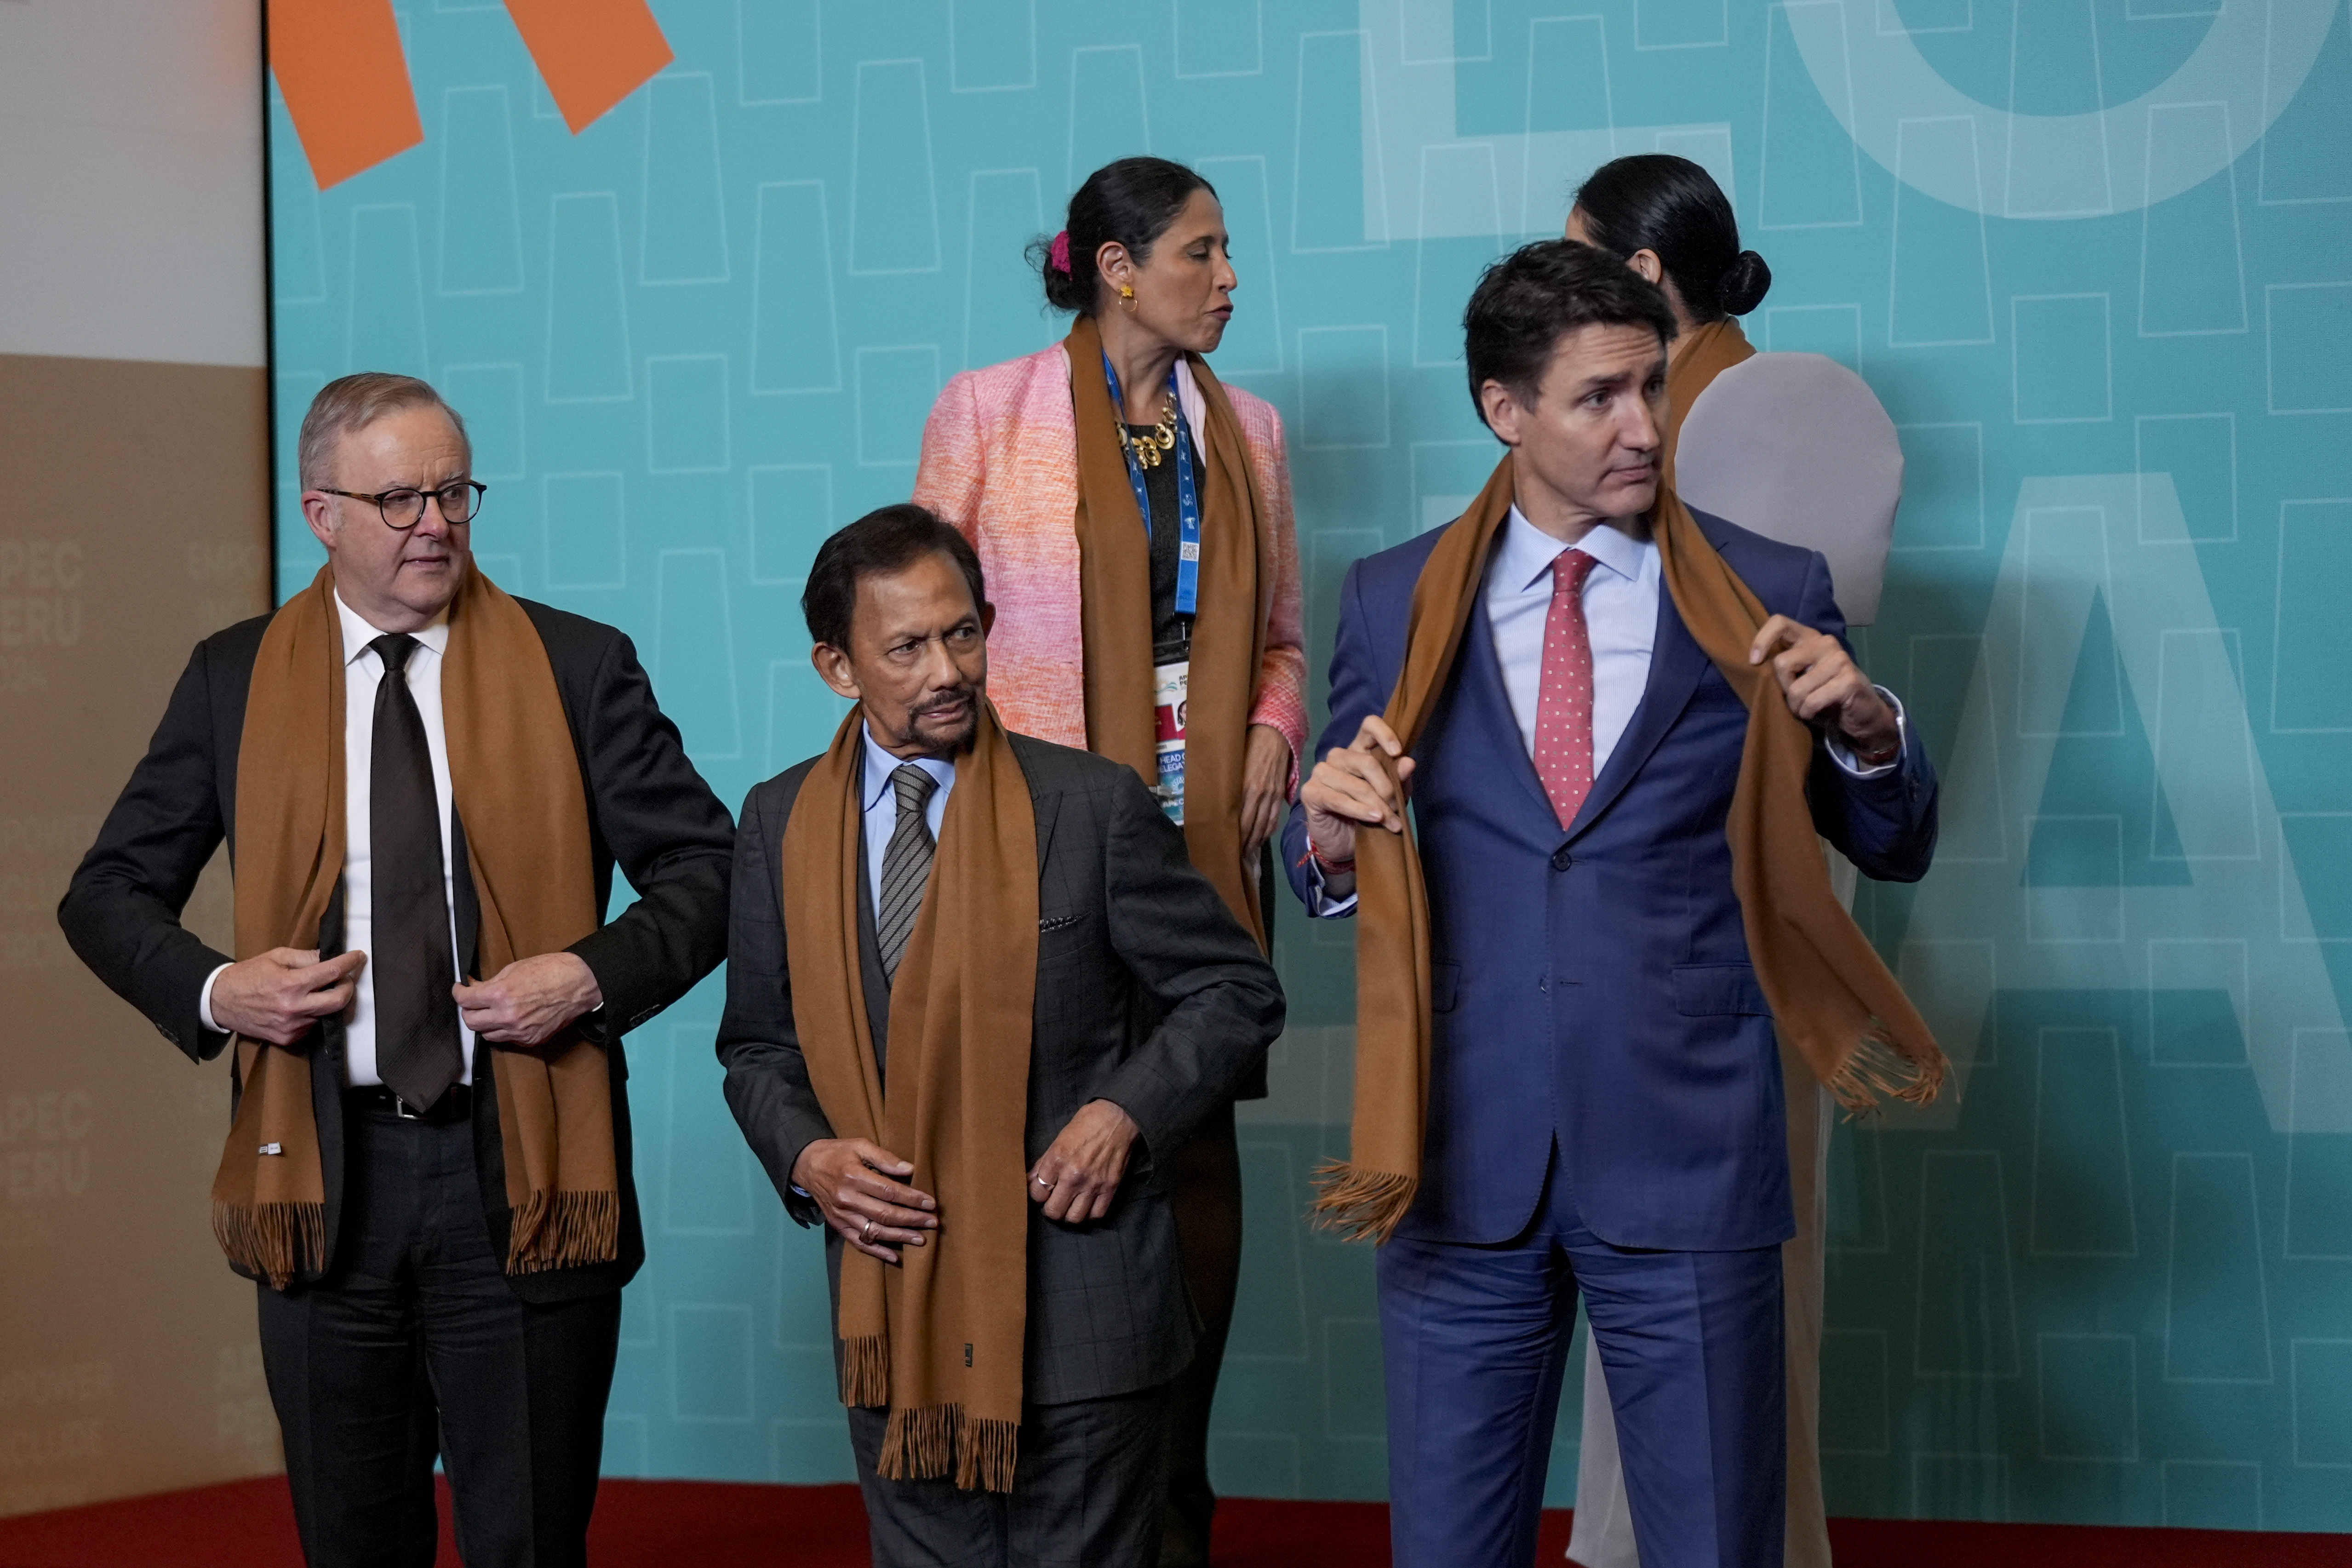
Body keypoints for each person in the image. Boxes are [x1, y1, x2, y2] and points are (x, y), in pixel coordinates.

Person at [1285, 242, 1946, 1568]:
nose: (1643, 427)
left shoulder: (1769, 588)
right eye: (1598, 397)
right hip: (1455, 1160)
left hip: (1689, 1160)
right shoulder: (1392, 594)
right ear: (1503, 410)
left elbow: (1895, 841)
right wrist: (1327, 836)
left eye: (1651, 387)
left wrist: (1867, 726)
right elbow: (1329, 871)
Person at [57, 373, 734, 1568]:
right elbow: (103, 894)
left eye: (454, 491)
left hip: (522, 1164)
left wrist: (584, 974)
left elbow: (710, 871)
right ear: (322, 513)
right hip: (323, 1171)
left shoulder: (579, 666)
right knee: (353, 1540)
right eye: (401, 498)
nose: (437, 522)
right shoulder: (236, 675)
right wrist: (223, 989)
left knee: (526, 1538)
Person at [716, 504, 1283, 1568]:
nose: (946, 670)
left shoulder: (1091, 805)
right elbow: (756, 1049)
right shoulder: (777, 823)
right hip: (895, 1321)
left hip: (1086, 1315)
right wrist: (808, 1156)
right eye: (906, 647)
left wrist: (1127, 1112)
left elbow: (1232, 990)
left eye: (963, 633)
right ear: (836, 666)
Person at [912, 153, 1306, 1566]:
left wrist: (1271, 730)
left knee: (1190, 1135)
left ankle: (1171, 1496)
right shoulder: (987, 411)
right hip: (1038, 828)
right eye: (1203, 250)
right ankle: (1025, 1473)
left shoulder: (1247, 429)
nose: (1230, 274)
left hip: (1201, 838)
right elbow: (921, 633)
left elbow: (1280, 643)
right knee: (1041, 1116)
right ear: (1119, 265)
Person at [1562, 155, 1837, 1568]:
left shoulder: (1758, 411)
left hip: (1738, 866)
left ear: (1648, 275)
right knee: (1641, 1226)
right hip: (1656, 865)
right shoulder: (1665, 412)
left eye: (1583, 260)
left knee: (1736, 1239)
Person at [1567, 153, 1771, 461]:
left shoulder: (1701, 423)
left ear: (1643, 271)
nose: (1566, 287)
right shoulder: (1745, 381)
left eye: (1580, 265)